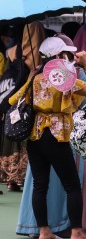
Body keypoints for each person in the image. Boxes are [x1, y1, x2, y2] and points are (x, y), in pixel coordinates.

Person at [5, 38, 86, 239]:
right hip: (57, 134)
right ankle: (77, 232)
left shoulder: (35, 77)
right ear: (57, 56)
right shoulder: (65, 76)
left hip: (35, 135)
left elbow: (12, 100)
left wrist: (32, 76)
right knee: (72, 184)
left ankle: (44, 230)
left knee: (39, 184)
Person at [1, 21, 44, 191]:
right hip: (29, 101)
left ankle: (12, 178)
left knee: (13, 135)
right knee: (27, 137)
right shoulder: (39, 55)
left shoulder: (12, 51)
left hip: (12, 100)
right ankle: (25, 177)